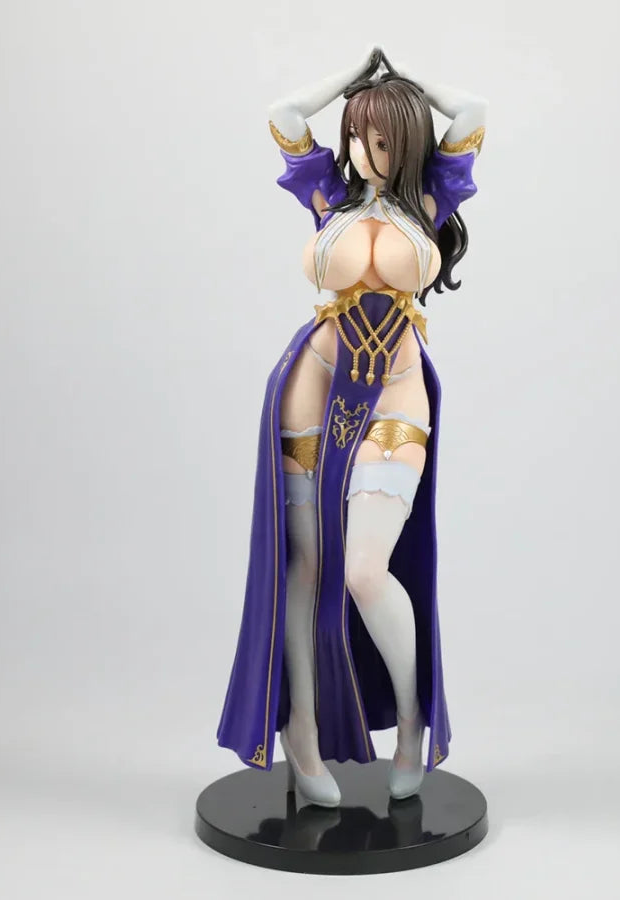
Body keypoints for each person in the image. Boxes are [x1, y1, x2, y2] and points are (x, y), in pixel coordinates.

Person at [216, 47, 486, 807]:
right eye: (358, 136)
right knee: (304, 569)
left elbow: (473, 113)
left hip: (395, 393)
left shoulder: (430, 200)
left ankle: (409, 723)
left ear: (408, 144)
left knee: (365, 571)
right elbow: (283, 116)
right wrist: (356, 79)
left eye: (383, 139)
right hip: (313, 384)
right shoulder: (329, 198)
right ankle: (301, 731)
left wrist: (404, 83)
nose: (366, 152)